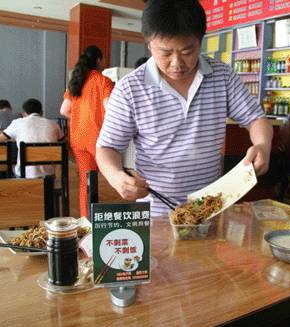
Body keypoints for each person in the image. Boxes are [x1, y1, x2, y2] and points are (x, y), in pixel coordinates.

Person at [96, 0, 273, 217]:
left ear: (200, 41)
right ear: (149, 44)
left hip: (210, 205)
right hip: (156, 211)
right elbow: (107, 147)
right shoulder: (130, 89)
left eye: (188, 51)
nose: (177, 63)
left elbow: (256, 118)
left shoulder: (222, 76)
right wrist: (116, 177)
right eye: (166, 53)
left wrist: (263, 144)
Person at [59, 45, 113, 217]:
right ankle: (103, 218)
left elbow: (64, 110)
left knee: (86, 181)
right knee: (107, 180)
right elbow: (110, 110)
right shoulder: (103, 81)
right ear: (98, 60)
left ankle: (86, 219)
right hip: (98, 138)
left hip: (78, 138)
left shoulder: (75, 82)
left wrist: (80, 117)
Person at [0, 98, 63, 178]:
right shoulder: (54, 124)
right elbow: (63, 142)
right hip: (49, 176)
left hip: (25, 176)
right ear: (41, 112)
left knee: (10, 167)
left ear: (24, 113)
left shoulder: (18, 123)